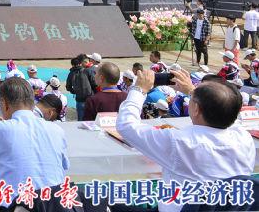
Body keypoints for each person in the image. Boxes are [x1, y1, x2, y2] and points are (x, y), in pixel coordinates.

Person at [118, 68, 255, 212]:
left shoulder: (179, 142)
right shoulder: (244, 137)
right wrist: (192, 91)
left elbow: (126, 126)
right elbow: (226, 111)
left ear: (196, 109)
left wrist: (138, 90)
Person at [0, 78, 69, 210]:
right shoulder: (56, 130)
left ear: (4, 104)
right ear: (32, 103)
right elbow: (63, 165)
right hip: (56, 206)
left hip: (18, 208)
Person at [65, 54, 95, 120]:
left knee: (81, 120)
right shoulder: (87, 71)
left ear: (72, 65)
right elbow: (94, 84)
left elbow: (68, 87)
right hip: (90, 99)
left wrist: (75, 91)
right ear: (80, 64)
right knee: (91, 119)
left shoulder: (71, 74)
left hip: (79, 100)